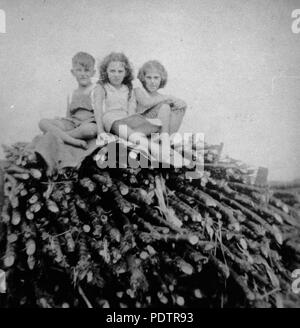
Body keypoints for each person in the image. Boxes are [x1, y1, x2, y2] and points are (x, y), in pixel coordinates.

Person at [94, 52, 189, 166]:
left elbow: (131, 110)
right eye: (112, 71)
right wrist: (100, 131)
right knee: (115, 121)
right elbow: (98, 109)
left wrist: (133, 121)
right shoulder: (102, 86)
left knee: (159, 111)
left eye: (120, 71)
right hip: (111, 120)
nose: (116, 74)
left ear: (126, 73)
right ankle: (154, 149)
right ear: (106, 72)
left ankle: (166, 149)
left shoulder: (128, 87)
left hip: (126, 120)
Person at [39, 52, 98, 149]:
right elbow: (68, 115)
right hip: (72, 124)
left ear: (93, 72)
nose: (83, 74)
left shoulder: (95, 89)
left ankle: (60, 136)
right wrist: (61, 122)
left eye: (87, 70)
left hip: (88, 123)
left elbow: (99, 113)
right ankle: (71, 140)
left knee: (90, 130)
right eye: (79, 70)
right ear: (73, 72)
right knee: (43, 122)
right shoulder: (71, 93)